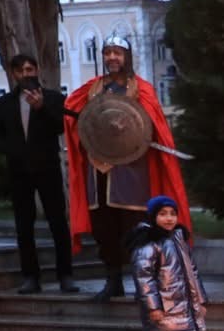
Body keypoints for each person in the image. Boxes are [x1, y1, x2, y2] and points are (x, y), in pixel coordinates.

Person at [62, 36, 189, 302]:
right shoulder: (92, 88)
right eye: (108, 53)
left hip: (132, 170)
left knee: (135, 229)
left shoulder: (140, 89)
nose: (112, 58)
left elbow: (154, 124)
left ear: (127, 57)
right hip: (99, 170)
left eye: (117, 53)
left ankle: (143, 284)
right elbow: (75, 118)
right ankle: (113, 281)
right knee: (104, 229)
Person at [0, 53, 75, 293]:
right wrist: (9, 150)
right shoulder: (5, 102)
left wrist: (41, 109)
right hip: (19, 172)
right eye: (21, 71)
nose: (26, 74)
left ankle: (65, 275)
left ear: (36, 71)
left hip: (47, 169)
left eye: (30, 69)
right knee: (23, 226)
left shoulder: (53, 98)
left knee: (58, 222)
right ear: (14, 74)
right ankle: (31, 277)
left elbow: (60, 126)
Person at [129, 196, 207, 331]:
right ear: (153, 217)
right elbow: (144, 278)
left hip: (182, 309)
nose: (169, 218)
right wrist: (154, 308)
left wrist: (199, 300)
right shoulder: (148, 243)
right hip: (163, 312)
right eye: (163, 214)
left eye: (172, 214)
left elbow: (192, 272)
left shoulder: (178, 238)